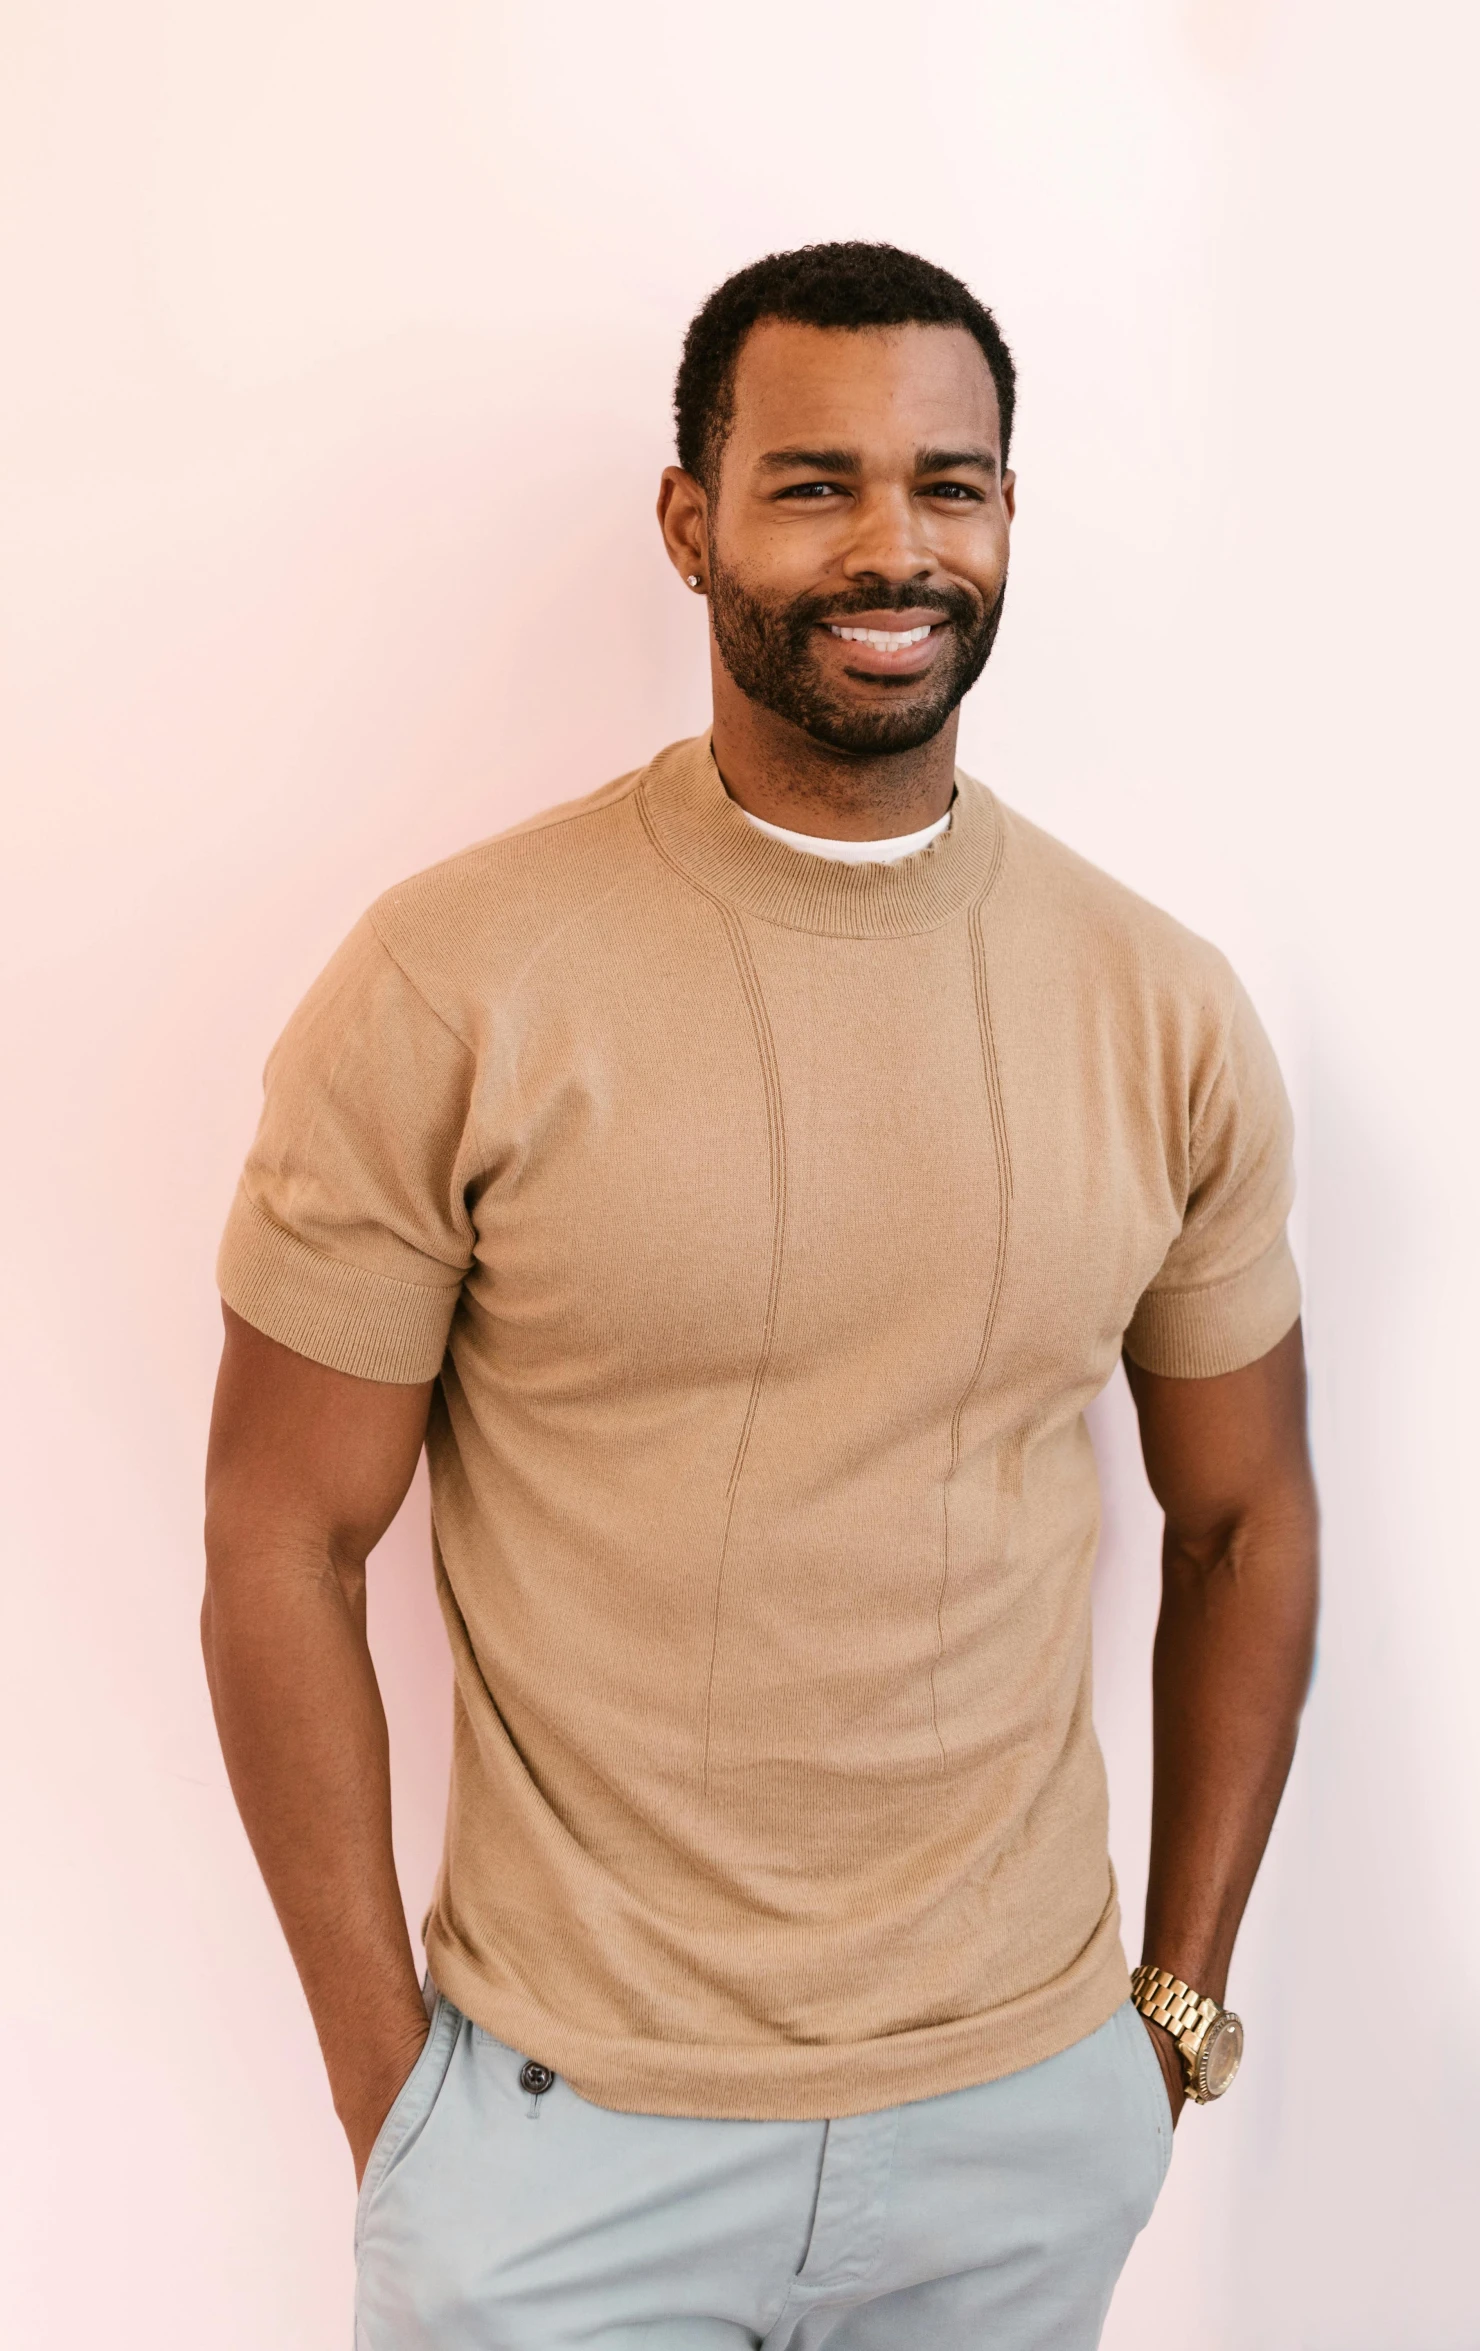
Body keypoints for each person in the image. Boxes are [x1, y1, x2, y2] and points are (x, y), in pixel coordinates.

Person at [203, 242, 1319, 2350]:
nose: (894, 545)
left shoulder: (1156, 1003)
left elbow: (1246, 1513)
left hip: (1016, 2125)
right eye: (815, 485)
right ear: (691, 519)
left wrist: (1167, 2010)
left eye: (951, 484)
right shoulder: (455, 978)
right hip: (564, 2140)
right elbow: (282, 1533)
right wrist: (399, 2106)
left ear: (1007, 515)